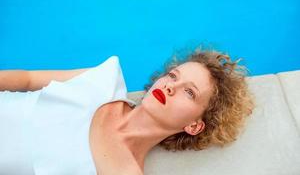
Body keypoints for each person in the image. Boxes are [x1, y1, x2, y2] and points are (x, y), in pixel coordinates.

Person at [0, 45, 255, 175]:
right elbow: (28, 79)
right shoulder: (105, 80)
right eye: (173, 75)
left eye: (189, 92)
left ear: (194, 125)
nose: (170, 86)